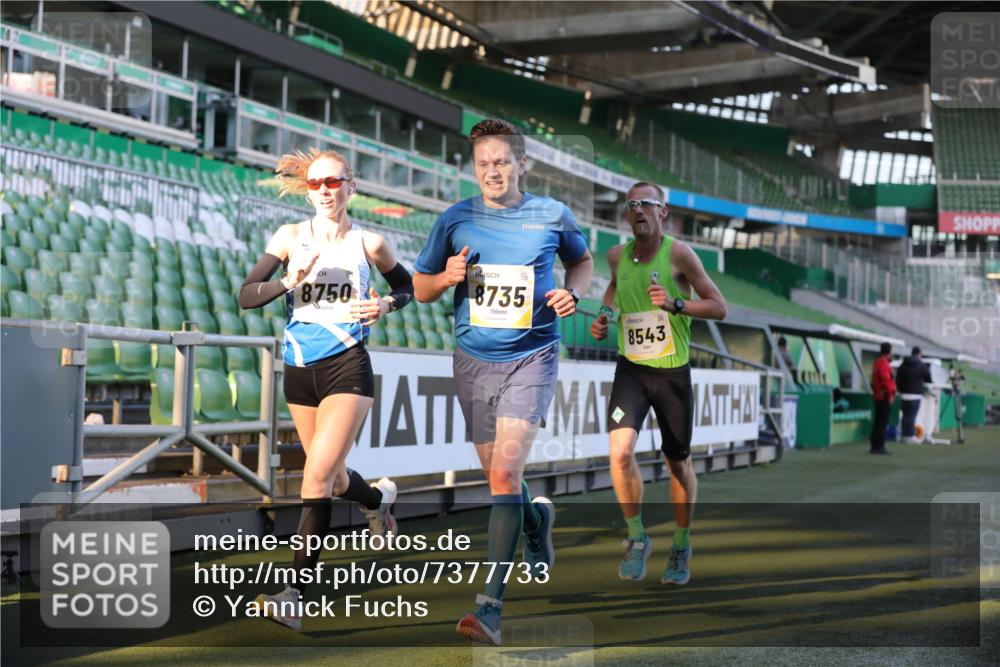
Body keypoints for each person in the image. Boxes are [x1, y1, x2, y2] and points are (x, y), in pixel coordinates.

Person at [412, 118, 593, 645]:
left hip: (532, 356)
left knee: (504, 474)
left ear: (521, 164)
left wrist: (573, 294)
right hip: (471, 361)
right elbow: (421, 286)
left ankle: (489, 607)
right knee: (501, 477)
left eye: (502, 162)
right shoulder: (455, 218)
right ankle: (536, 523)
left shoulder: (551, 214)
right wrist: (443, 278)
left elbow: (580, 263)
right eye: (483, 164)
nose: (492, 172)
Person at [238, 148, 414, 630]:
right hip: (299, 368)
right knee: (334, 479)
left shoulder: (370, 242)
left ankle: (294, 596)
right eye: (315, 184)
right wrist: (286, 282)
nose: (324, 191)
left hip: (346, 368)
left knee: (314, 479)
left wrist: (386, 307)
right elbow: (246, 295)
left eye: (333, 182)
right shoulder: (289, 237)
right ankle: (378, 503)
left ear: (350, 187)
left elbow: (408, 287)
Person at [590, 181, 727, 584]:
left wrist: (675, 303)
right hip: (631, 368)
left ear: (662, 212)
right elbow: (614, 289)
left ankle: (681, 544)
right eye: (631, 205)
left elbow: (719, 306)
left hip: (672, 374)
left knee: (678, 463)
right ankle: (637, 537)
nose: (638, 211)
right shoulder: (616, 256)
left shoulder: (680, 255)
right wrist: (605, 316)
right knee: (619, 452)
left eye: (646, 204)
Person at [896, 346, 932, 443]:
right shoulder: (922, 366)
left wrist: (900, 389)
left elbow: (898, 379)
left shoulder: (902, 365)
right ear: (919, 354)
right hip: (915, 395)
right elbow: (928, 378)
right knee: (912, 416)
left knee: (905, 415)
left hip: (904, 394)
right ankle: (910, 436)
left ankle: (904, 435)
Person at [869, 342, 896, 455]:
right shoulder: (883, 363)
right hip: (883, 396)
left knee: (878, 421)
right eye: (892, 351)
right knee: (882, 422)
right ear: (889, 352)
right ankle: (879, 446)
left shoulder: (878, 362)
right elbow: (887, 381)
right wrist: (890, 395)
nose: (893, 353)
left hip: (878, 395)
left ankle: (875, 445)